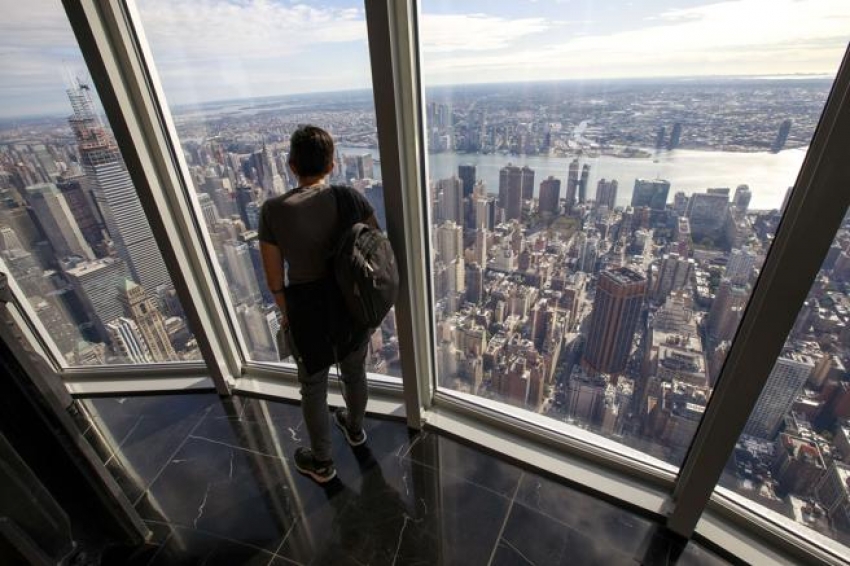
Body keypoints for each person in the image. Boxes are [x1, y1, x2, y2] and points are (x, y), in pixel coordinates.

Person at [258, 125, 377, 483]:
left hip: (308, 312)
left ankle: (322, 462)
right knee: (355, 372)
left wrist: (285, 310)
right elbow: (375, 248)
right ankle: (355, 430)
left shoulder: (273, 210)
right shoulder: (352, 198)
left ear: (292, 165)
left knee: (313, 386)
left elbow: (274, 278)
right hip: (352, 306)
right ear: (332, 164)